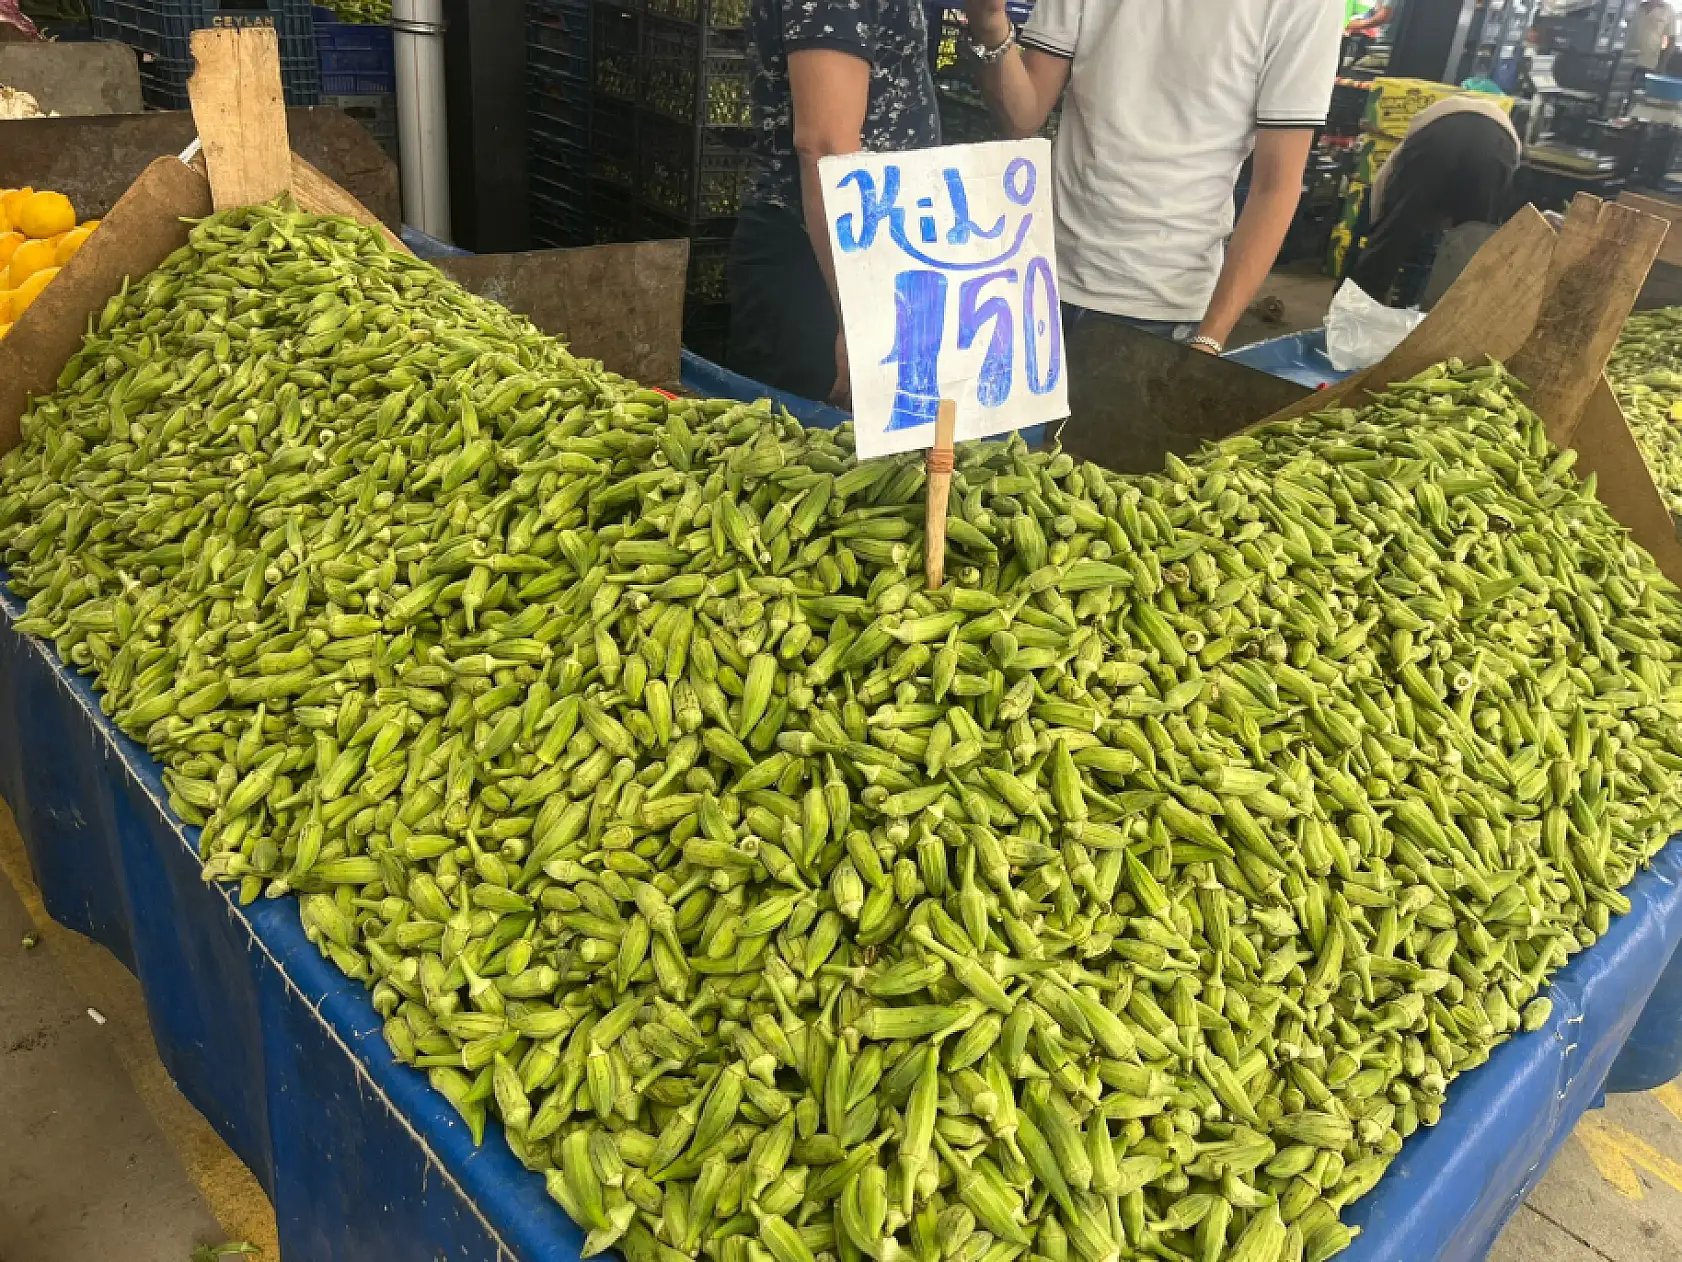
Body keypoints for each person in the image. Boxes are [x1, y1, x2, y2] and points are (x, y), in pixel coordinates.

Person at [962, 0, 1343, 355]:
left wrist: (1210, 339)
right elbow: (1023, 117)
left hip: (1161, 304)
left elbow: (1276, 186)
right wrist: (991, 23)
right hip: (1036, 278)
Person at [727, 0, 940, 405]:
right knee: (800, 450)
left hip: (860, 259)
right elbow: (825, 145)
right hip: (816, 265)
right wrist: (858, 314)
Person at [1347, 93, 1520, 306]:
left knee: (1394, 232)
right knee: (1471, 248)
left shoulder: (1406, 150)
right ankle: (1444, 321)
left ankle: (1355, 311)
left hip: (1441, 131)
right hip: (1498, 144)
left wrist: (1381, 229)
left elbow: (1383, 203)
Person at [1635, 1, 1674, 77]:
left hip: (1650, 66)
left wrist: (1660, 67)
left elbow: (1671, 40)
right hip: (1627, 61)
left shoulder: (1668, 10)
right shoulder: (1637, 7)